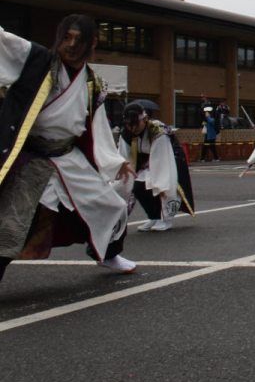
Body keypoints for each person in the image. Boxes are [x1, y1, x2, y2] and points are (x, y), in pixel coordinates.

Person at [0, 14, 137, 283]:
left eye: (79, 39)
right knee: (12, 223)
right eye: (67, 37)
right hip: (30, 157)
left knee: (111, 206)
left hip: (66, 156)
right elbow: (3, 41)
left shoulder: (92, 82)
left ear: (92, 43)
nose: (72, 44)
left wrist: (113, 160)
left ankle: (108, 255)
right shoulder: (35, 59)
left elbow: (96, 124)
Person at [117, 102, 195, 232]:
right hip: (145, 160)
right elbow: (123, 154)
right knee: (138, 187)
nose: (133, 129)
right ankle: (153, 217)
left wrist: (160, 184)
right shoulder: (127, 131)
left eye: (137, 124)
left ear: (144, 119)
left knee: (159, 186)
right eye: (129, 124)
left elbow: (160, 160)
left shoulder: (158, 130)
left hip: (168, 157)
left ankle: (165, 219)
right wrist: (120, 168)